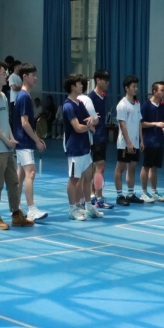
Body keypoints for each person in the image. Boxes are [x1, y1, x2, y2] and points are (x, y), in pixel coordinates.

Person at [0, 61, 34, 230]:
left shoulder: (4, 97)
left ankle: (16, 213)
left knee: (13, 182)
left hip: (8, 147)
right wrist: (6, 140)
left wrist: (12, 139)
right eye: (3, 73)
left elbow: (6, 122)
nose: (6, 76)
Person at [62, 73, 102, 221]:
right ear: (73, 86)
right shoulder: (68, 106)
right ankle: (73, 209)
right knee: (74, 179)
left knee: (88, 178)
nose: (82, 85)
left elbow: (94, 121)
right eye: (79, 83)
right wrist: (89, 126)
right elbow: (78, 128)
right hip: (75, 149)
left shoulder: (80, 103)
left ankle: (88, 206)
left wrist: (92, 120)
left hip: (85, 147)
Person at [13, 63, 49, 222]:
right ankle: (32, 209)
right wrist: (37, 141)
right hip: (24, 142)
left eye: (36, 75)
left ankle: (16, 207)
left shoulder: (22, 96)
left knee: (20, 175)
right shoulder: (24, 97)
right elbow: (25, 123)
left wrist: (36, 138)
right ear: (24, 77)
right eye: (32, 75)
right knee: (31, 173)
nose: (36, 78)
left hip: (21, 141)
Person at [114, 75, 144, 206]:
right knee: (120, 168)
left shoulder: (137, 104)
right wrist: (128, 142)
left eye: (136, 86)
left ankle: (130, 194)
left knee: (132, 168)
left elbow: (139, 122)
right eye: (133, 86)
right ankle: (119, 196)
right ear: (127, 88)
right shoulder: (122, 105)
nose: (136, 89)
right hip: (124, 144)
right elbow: (122, 125)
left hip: (135, 143)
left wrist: (141, 140)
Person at [88, 69, 113, 208]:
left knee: (96, 167)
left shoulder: (103, 96)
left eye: (108, 80)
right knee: (100, 167)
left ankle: (93, 195)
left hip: (102, 135)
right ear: (97, 80)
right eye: (105, 80)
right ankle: (98, 198)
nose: (107, 83)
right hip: (94, 136)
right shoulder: (90, 98)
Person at [140, 81, 164, 202]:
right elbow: (141, 123)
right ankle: (144, 192)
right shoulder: (146, 105)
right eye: (162, 90)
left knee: (155, 167)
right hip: (149, 141)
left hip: (159, 141)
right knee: (146, 166)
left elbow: (163, 121)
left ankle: (154, 191)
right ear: (154, 91)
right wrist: (155, 124)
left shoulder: (162, 106)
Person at [8, 60, 22, 129]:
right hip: (14, 100)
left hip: (20, 100)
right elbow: (14, 88)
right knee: (14, 119)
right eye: (19, 66)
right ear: (15, 67)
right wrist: (21, 87)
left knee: (20, 118)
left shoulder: (19, 77)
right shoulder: (12, 77)